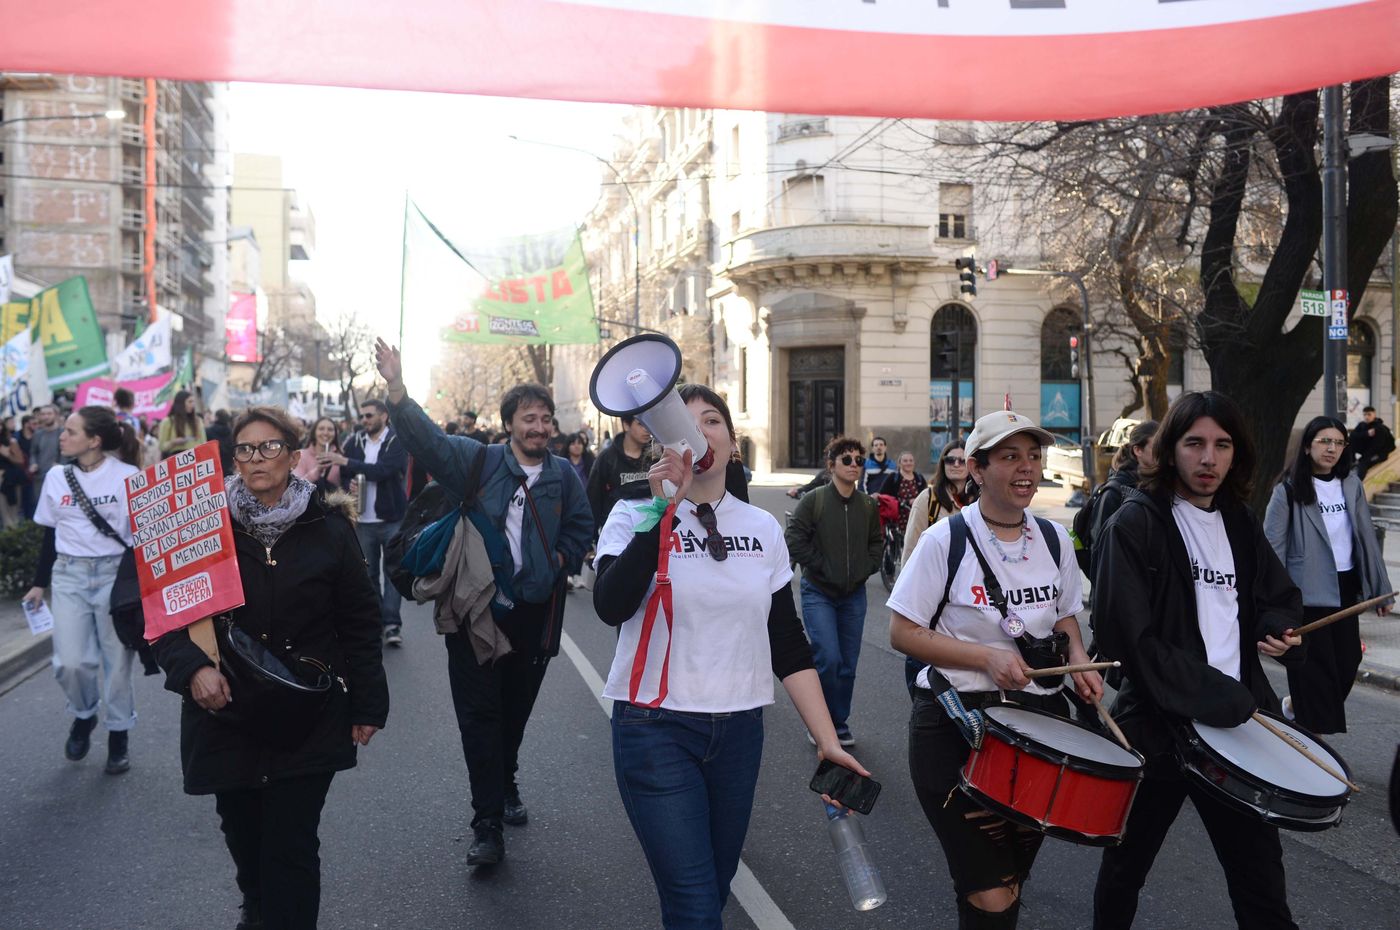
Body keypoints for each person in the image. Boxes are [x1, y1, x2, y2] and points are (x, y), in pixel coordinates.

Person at [593, 383, 869, 929]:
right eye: (682, 425)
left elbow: (787, 643)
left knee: (712, 891)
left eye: (712, 421)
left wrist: (828, 741)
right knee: (695, 907)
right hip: (655, 729)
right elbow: (610, 604)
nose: (698, 433)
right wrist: (662, 513)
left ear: (732, 443)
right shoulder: (633, 516)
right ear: (662, 448)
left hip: (739, 734)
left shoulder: (761, 527)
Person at [152, 406, 389, 930]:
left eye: (270, 446)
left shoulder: (329, 526)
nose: (256, 458)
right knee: (244, 837)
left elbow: (359, 619)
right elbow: (164, 619)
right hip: (227, 709)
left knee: (291, 846)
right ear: (233, 458)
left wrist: (369, 702)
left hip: (307, 710)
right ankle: (257, 907)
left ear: (295, 452)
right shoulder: (199, 529)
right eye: (245, 449)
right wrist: (192, 669)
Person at [375, 338, 593, 870]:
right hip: (474, 611)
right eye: (528, 418)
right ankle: (487, 823)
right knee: (480, 714)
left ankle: (507, 777)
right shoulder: (477, 461)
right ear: (510, 423)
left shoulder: (564, 475)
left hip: (535, 615)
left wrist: (559, 560)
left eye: (545, 419)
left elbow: (582, 526)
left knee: (514, 710)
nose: (539, 427)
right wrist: (398, 390)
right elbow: (426, 442)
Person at [1091, 391, 1304, 930]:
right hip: (1160, 730)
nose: (1208, 458)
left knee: (1262, 886)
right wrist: (1220, 695)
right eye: (1194, 444)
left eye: (1222, 445)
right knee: (1124, 873)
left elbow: (1274, 593)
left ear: (1237, 454)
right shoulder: (1134, 523)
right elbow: (1127, 637)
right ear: (1169, 450)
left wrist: (1273, 625)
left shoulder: (1239, 522)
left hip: (1237, 735)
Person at [889, 410, 1101, 928]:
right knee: (993, 895)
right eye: (1010, 457)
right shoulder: (945, 540)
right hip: (957, 728)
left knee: (1006, 881)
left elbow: (1066, 614)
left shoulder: (1054, 539)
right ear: (977, 471)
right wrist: (987, 657)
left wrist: (1076, 659)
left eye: (1033, 456)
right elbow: (901, 632)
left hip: (1037, 733)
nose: (1026, 468)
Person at [23, 406, 142, 776]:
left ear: (94, 440)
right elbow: (49, 533)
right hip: (69, 575)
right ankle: (84, 714)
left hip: (114, 576)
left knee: (117, 664)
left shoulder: (128, 476)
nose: (62, 435)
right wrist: (38, 584)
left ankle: (119, 734)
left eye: (70, 431)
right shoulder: (57, 477)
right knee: (71, 662)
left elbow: (141, 537)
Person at [1263, 415, 1391, 734]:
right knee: (1313, 672)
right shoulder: (1288, 490)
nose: (1331, 448)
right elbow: (1272, 547)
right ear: (1307, 446)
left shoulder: (1350, 484)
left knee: (1348, 663)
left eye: (1338, 442)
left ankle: (1295, 707)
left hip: (1345, 587)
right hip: (1305, 592)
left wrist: (1381, 590)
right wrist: (1274, 600)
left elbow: (1365, 539)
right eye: (1324, 441)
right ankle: (1309, 743)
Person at [784, 436, 882, 748]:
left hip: (853, 595)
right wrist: (821, 566)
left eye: (859, 460)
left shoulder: (868, 505)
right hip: (819, 592)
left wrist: (866, 567)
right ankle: (820, 722)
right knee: (827, 656)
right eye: (847, 459)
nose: (855, 465)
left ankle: (838, 723)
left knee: (847, 664)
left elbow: (877, 544)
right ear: (832, 465)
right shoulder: (814, 500)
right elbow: (794, 538)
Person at [323, 399, 409, 646]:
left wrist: (347, 464)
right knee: (368, 574)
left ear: (384, 415)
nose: (365, 420)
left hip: (391, 517)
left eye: (369, 415)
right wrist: (349, 478)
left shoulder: (396, 440)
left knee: (392, 573)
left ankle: (393, 624)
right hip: (362, 519)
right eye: (362, 416)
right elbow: (347, 472)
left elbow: (385, 470)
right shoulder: (356, 440)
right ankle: (380, 619)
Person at [1079, 420, 1158, 575]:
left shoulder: (1159, 487)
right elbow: (1100, 556)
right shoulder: (1114, 493)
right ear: (1138, 450)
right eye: (1157, 446)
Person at [902, 440, 977, 564]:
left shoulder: (981, 500)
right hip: (937, 578)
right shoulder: (928, 499)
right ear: (943, 464)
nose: (956, 464)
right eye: (950, 460)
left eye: (962, 460)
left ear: (971, 465)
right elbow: (911, 549)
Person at [586, 414, 654, 532]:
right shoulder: (607, 459)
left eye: (648, 423)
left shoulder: (655, 456)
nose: (647, 429)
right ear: (626, 425)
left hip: (651, 527)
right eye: (641, 424)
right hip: (617, 530)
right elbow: (593, 498)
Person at [294, 416, 345, 497]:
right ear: (314, 432)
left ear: (335, 433)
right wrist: (317, 471)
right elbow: (295, 487)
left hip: (332, 507)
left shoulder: (341, 457)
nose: (325, 433)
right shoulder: (301, 455)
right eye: (321, 429)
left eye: (330, 429)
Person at [889, 450, 927, 537]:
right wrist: (903, 502)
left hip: (916, 516)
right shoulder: (893, 478)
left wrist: (917, 501)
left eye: (911, 460)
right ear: (899, 463)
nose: (908, 463)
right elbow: (884, 496)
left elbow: (926, 496)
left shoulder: (919, 478)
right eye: (905, 461)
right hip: (898, 518)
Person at [1350, 405, 1395, 478]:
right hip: (1366, 450)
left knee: (1363, 463)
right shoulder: (1362, 425)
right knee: (1348, 444)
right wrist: (1366, 433)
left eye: (1369, 414)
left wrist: (1363, 457)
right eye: (1365, 414)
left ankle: (1360, 483)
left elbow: (1377, 446)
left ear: (1374, 414)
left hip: (1379, 453)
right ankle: (1351, 463)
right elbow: (1352, 436)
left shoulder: (1380, 428)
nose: (1366, 417)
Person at [158, 390, 207, 458]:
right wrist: (173, 442)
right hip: (176, 460)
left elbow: (204, 444)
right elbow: (161, 446)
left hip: (196, 458)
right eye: (190, 402)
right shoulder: (168, 421)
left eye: (193, 402)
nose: (192, 405)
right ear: (181, 403)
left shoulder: (198, 421)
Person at [0, 420, 27, 528]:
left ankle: (15, 537)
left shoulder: (11, 441)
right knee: (3, 512)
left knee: (13, 511)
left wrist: (6, 454)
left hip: (11, 478)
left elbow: (20, 460)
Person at [29, 403, 63, 480]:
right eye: (43, 414)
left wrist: (60, 464)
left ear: (56, 415)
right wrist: (33, 463)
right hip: (40, 476)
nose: (46, 416)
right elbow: (33, 452)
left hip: (58, 476)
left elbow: (68, 454)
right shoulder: (37, 434)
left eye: (49, 414)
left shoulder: (63, 432)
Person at [206, 408, 235, 475]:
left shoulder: (208, 431)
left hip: (213, 465)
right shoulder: (232, 432)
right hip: (228, 465)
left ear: (216, 417)